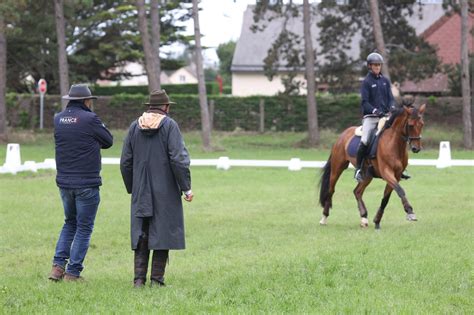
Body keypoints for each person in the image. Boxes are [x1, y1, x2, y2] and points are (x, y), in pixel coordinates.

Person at [120, 89, 193, 288]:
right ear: (166, 107)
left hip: (140, 190)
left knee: (142, 232)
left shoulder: (135, 127)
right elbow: (179, 160)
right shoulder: (170, 126)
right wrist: (186, 187)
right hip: (166, 190)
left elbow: (125, 162)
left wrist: (132, 187)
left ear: (150, 106)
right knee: (163, 232)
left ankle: (138, 280)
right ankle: (157, 280)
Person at [49, 84, 113, 282]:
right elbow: (108, 140)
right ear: (86, 101)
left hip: (64, 182)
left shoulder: (58, 119)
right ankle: (73, 273)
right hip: (86, 182)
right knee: (84, 227)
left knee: (70, 223)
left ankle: (57, 268)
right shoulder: (90, 119)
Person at [354, 52, 395, 182]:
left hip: (385, 117)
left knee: (396, 137)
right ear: (370, 66)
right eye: (375, 65)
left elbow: (390, 98)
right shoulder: (367, 82)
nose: (377, 67)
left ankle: (399, 167)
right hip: (371, 117)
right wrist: (376, 111)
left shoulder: (385, 81)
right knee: (365, 140)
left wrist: (392, 107)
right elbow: (365, 103)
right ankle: (358, 169)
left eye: (379, 65)